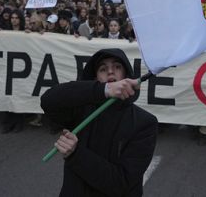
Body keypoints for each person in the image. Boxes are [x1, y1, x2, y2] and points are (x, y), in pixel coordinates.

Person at [41, 48, 158, 196]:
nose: (110, 71)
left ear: (126, 74)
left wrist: (76, 154)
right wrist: (104, 90)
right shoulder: (80, 110)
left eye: (117, 66)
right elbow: (48, 100)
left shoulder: (144, 123)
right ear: (96, 78)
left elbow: (122, 183)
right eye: (103, 69)